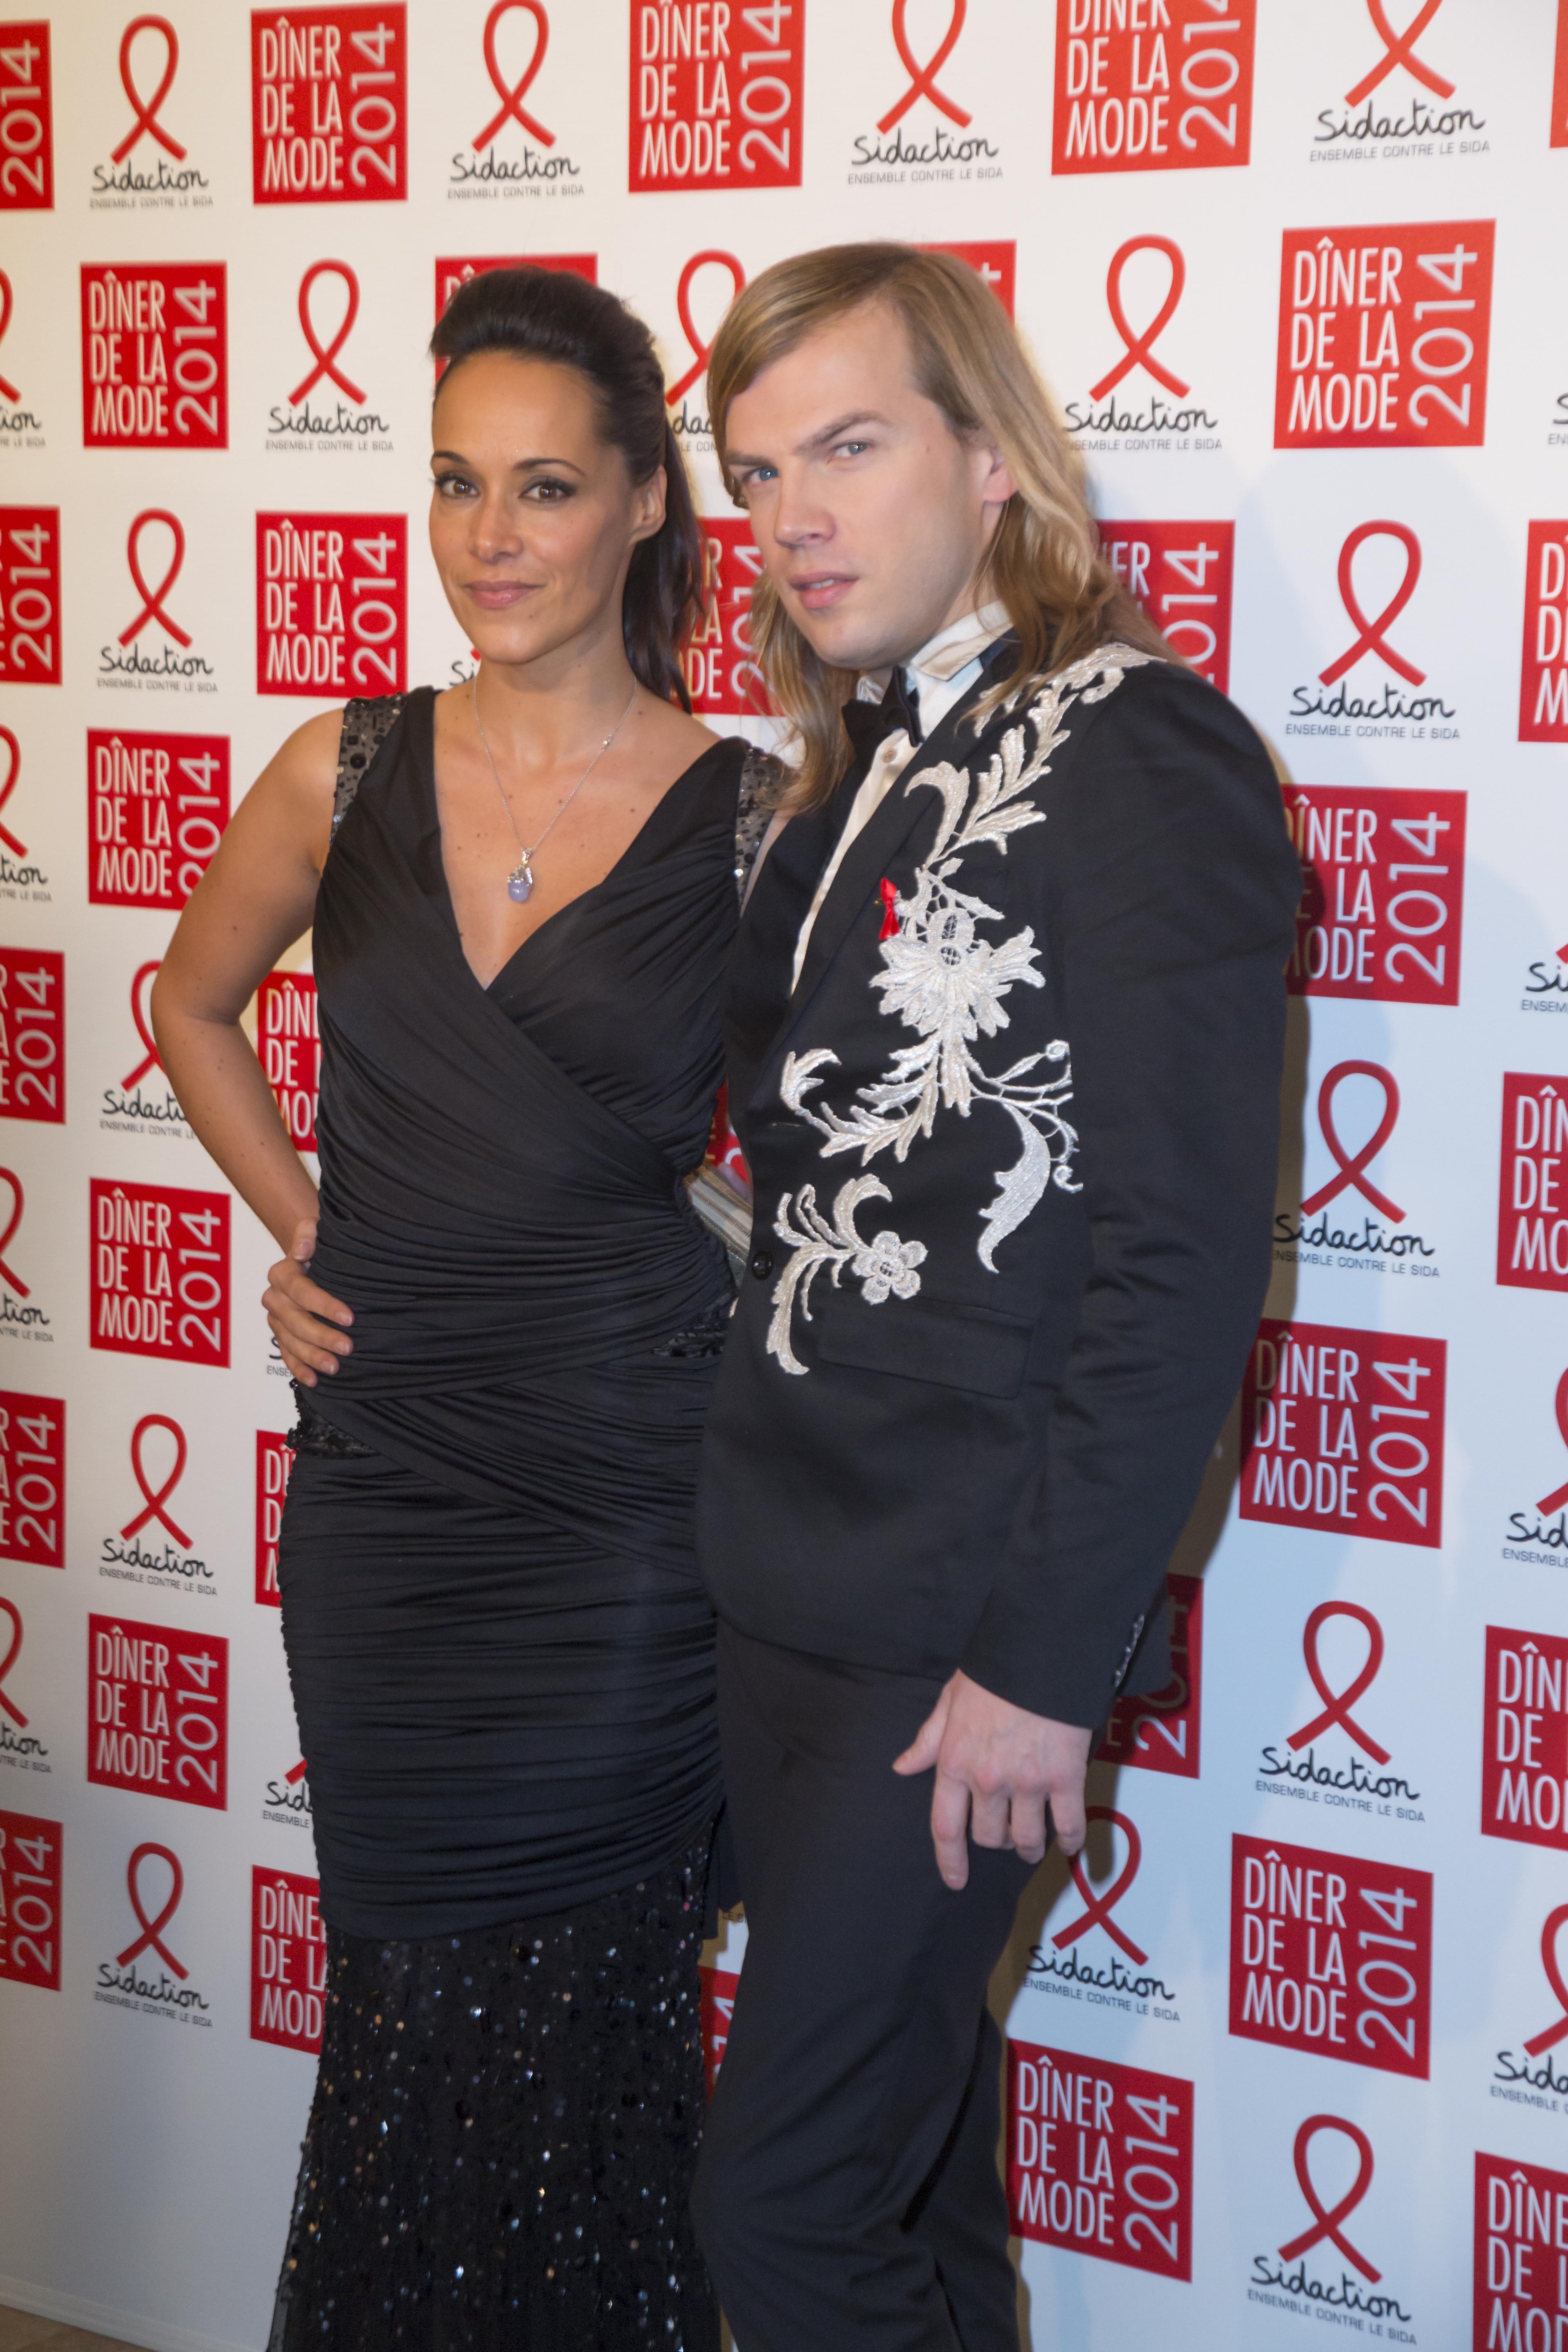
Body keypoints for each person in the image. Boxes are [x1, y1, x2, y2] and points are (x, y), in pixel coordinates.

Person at [686, 243, 1301, 2350]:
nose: (796, 518)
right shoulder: (845, 761)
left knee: (784, 2210)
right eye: (759, 475)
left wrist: (1046, 1667)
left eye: (849, 448)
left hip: (956, 1627)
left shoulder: (1143, 749)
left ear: (990, 457)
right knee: (911, 2189)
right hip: (781, 1578)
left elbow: (1181, 1258)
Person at [153, 266, 769, 2351]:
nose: (490, 537)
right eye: (453, 483)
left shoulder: (754, 819)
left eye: (545, 486)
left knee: (594, 2017)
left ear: (644, 504)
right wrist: (307, 1226)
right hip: (393, 1492)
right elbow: (190, 1003)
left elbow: (844, 1159)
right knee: (408, 2011)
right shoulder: (343, 770)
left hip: (624, 1499)